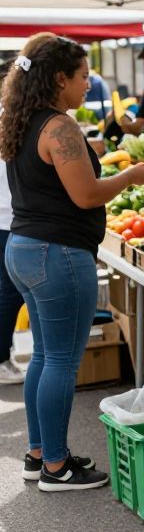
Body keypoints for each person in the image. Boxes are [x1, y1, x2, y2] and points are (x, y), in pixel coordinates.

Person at [0, 33, 144, 491]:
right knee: (61, 363)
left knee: (46, 359)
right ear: (59, 78)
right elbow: (85, 194)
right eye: (84, 76)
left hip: (26, 248)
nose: (89, 85)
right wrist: (129, 175)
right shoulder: (60, 128)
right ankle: (56, 466)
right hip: (58, 255)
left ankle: (38, 453)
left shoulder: (21, 120)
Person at [0, 57, 26, 386]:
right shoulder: (12, 118)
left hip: (9, 214)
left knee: (8, 290)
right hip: (10, 215)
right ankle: (1, 357)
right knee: (9, 291)